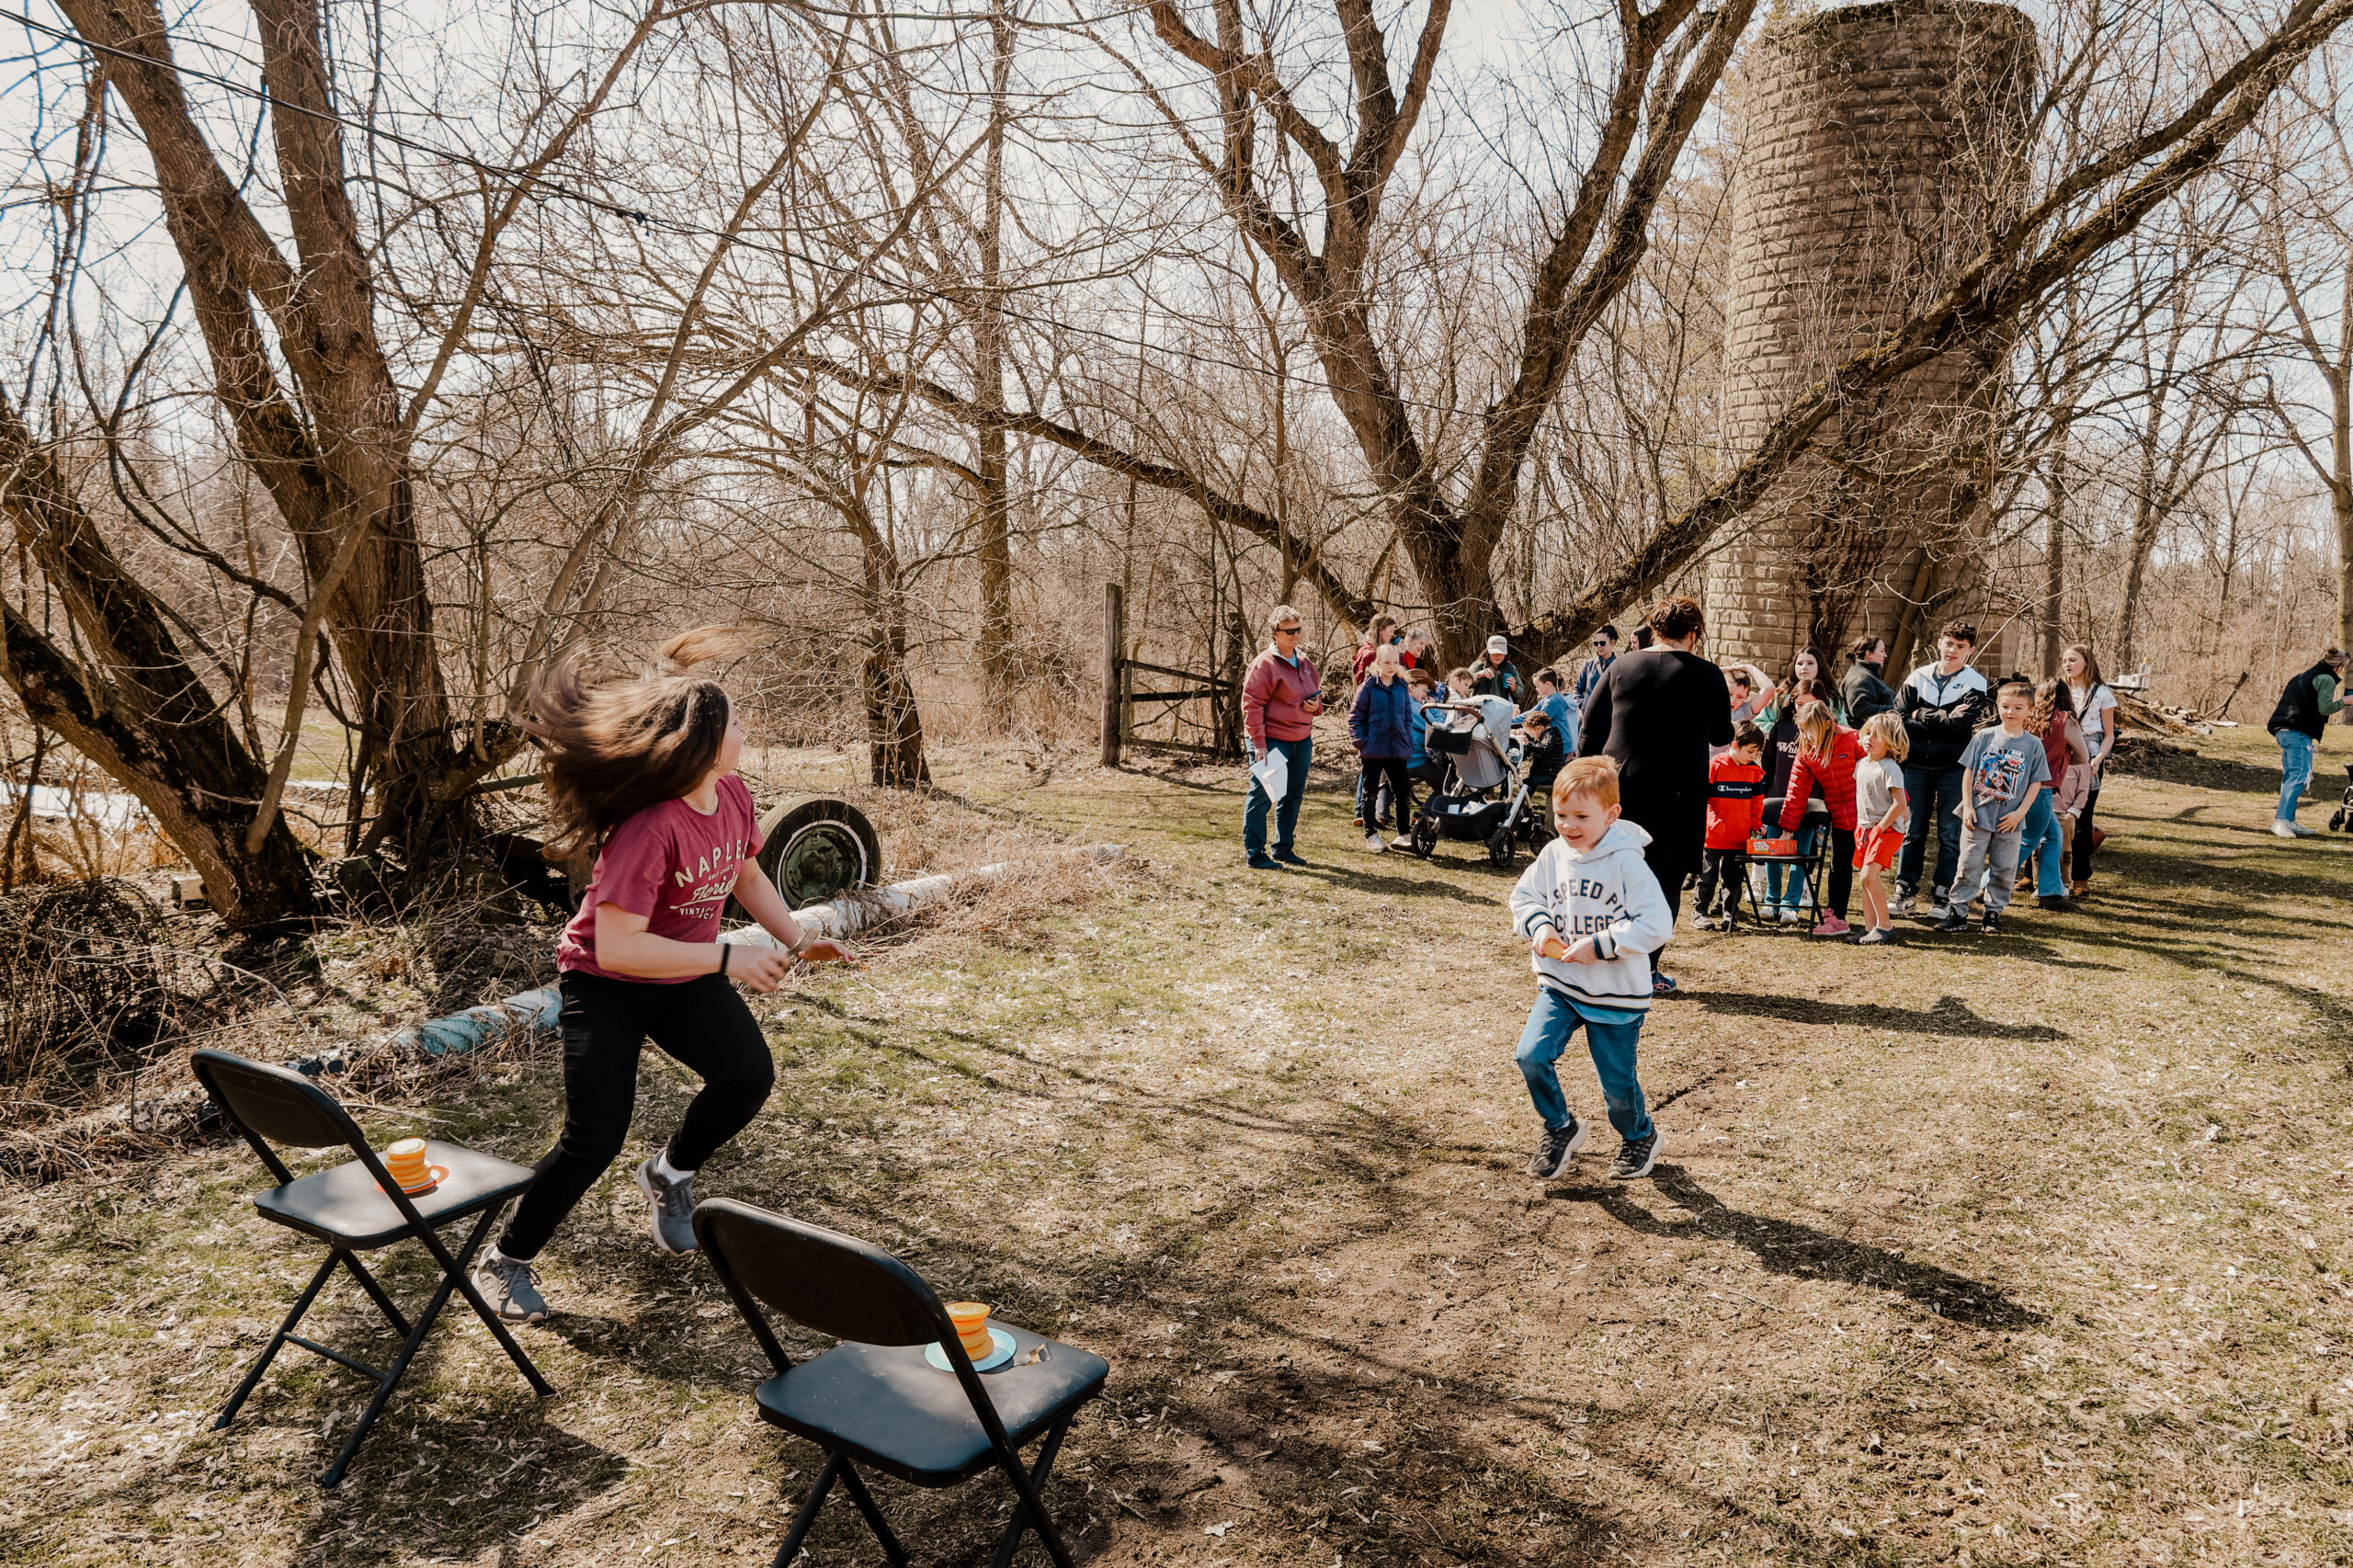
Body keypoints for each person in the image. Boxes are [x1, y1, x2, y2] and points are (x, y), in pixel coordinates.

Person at [472, 629, 852, 1324]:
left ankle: (670, 1175)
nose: (746, 729)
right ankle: (505, 1261)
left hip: (683, 973)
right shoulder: (650, 827)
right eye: (736, 721)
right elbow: (618, 948)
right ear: (704, 742)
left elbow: (744, 872)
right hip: (607, 985)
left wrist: (797, 940)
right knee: (594, 1138)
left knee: (746, 1076)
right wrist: (730, 957)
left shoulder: (732, 795)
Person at [1506, 756, 1672, 1183]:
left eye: (1581, 816)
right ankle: (1560, 1127)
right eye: (1561, 815)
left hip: (1616, 992)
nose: (1568, 825)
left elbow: (1656, 924)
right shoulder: (1553, 854)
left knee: (1617, 1088)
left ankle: (1639, 1135)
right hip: (1561, 986)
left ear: (1611, 814)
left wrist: (1599, 946)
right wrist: (1539, 927)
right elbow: (1525, 897)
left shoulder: (1627, 862)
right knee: (1531, 1056)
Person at [1576, 595, 1733, 995]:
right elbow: (1722, 735)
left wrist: (1590, 777)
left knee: (1613, 869)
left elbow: (1589, 730)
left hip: (1620, 786)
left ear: (1655, 628)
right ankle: (1645, 970)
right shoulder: (1708, 674)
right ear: (1694, 635)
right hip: (1678, 790)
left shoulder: (1621, 666)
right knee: (1666, 875)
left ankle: (1603, 958)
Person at [1937, 676, 2051, 935]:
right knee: (1968, 865)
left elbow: (2036, 782)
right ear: (1998, 706)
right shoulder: (1983, 736)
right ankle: (1958, 912)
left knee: (2004, 869)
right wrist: (1968, 806)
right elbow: (1968, 771)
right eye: (2005, 706)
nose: (2011, 712)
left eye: (2018, 708)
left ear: (2029, 711)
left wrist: (2019, 813)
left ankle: (1993, 913)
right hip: (1977, 815)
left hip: (2009, 820)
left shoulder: (2034, 745)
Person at [1894, 620, 1991, 918]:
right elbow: (1898, 716)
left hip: (1954, 770)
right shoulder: (1918, 676)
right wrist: (1939, 717)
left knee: (1950, 834)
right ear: (1940, 643)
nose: (1953, 650)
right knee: (1912, 831)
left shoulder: (1975, 682)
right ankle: (1904, 891)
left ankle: (1942, 895)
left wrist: (1920, 713)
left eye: (1961, 646)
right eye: (1949, 643)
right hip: (1915, 768)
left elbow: (1958, 725)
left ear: (1970, 650)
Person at [1243, 605, 1324, 870]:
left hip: (1301, 738)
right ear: (1275, 633)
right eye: (1289, 631)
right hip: (1272, 739)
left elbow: (1317, 696)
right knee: (1264, 795)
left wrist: (1317, 707)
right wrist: (1259, 744)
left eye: (1298, 630)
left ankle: (1283, 848)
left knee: (1292, 795)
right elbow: (1251, 705)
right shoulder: (1264, 664)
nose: (1295, 635)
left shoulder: (1305, 663)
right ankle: (1255, 854)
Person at [1775, 699, 1864, 937]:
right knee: (1839, 866)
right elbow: (1797, 790)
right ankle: (1837, 918)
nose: (1806, 735)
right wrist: (1787, 828)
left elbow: (1881, 772)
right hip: (1841, 817)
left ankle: (1877, 923)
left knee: (1870, 869)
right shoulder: (1807, 749)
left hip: (1868, 815)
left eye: (1810, 730)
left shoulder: (1853, 739)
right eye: (1802, 730)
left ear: (1827, 723)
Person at [1756, 676, 1834, 923]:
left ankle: (1791, 905)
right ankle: (1771, 900)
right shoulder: (1782, 725)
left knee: (1800, 854)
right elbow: (1768, 762)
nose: (1803, 709)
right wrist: (1765, 792)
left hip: (1810, 804)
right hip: (1777, 799)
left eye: (1809, 704)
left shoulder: (1827, 733)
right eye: (1799, 703)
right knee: (1774, 852)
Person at [2020, 677, 2089, 910]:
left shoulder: (2027, 716)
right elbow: (2083, 755)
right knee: (2027, 841)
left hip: (2020, 784)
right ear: (2065, 696)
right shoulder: (2064, 720)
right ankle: (1986, 883)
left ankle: (2051, 892)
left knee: (2053, 838)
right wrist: (2064, 757)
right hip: (2042, 787)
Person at [2268, 646, 2349, 836]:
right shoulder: (2326, 678)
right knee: (2299, 776)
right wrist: (2345, 702)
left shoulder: (2302, 676)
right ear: (2339, 666)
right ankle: (2281, 822)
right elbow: (2325, 708)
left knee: (2291, 777)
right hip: (2298, 732)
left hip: (2283, 730)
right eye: (2344, 666)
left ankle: (2289, 820)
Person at [1692, 722, 1767, 929]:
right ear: (1735, 744)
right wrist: (1713, 821)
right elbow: (1703, 800)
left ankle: (1729, 914)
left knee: (1733, 879)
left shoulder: (1755, 772)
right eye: (1750, 751)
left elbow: (1756, 802)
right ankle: (1700, 913)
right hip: (1713, 836)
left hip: (1738, 837)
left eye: (1757, 752)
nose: (1753, 756)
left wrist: (1757, 824)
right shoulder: (1715, 765)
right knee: (1708, 876)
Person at [2060, 643, 2118, 894]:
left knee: (2082, 816)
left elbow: (2109, 734)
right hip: (2060, 751)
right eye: (2064, 660)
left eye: (2073, 659)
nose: (2067, 664)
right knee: (2049, 811)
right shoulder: (2059, 689)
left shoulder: (2102, 693)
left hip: (2090, 752)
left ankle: (2081, 877)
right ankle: (2033, 874)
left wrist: (2099, 758)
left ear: (2087, 662)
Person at [1349, 643, 1416, 854]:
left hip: (1397, 748)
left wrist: (1408, 740)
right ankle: (1371, 835)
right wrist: (1362, 742)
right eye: (1387, 662)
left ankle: (1404, 833)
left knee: (1403, 790)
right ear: (1378, 663)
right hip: (1374, 749)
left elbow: (1407, 717)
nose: (1391, 666)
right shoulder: (1368, 687)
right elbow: (1355, 718)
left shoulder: (1401, 686)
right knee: (1370, 793)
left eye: (1395, 662)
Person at [1851, 712, 1910, 946]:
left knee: (1869, 876)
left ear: (1891, 742)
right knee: (1865, 879)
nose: (1870, 738)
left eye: (1878, 735)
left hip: (1887, 831)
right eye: (1868, 732)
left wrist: (1880, 828)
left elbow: (1900, 804)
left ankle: (1885, 927)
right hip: (1864, 829)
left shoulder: (1890, 768)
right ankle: (1869, 928)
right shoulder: (1861, 764)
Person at [1404, 668, 1445, 798]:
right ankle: (1423, 814)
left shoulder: (1396, 702)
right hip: (1414, 760)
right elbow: (1437, 726)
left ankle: (1380, 814)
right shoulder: (1414, 706)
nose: (1425, 695)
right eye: (1423, 690)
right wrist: (1433, 708)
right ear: (1411, 687)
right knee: (1446, 784)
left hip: (1394, 758)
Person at [1842, 635, 1897, 727]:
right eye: (1882, 651)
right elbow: (1860, 710)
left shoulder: (1867, 673)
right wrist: (1896, 710)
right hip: (1863, 736)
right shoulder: (1860, 677)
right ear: (1869, 654)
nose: (1885, 655)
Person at [1518, 707, 1566, 801]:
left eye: (1532, 734)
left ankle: (1524, 805)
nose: (1533, 737)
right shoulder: (1547, 734)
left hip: (1550, 776)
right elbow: (1539, 745)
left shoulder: (1550, 735)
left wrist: (1529, 743)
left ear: (1538, 728)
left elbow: (1543, 749)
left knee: (1528, 783)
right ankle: (1524, 804)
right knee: (1526, 782)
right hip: (1544, 773)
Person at [1531, 665, 1579, 752]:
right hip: (1571, 744)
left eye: (1538, 686)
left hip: (1561, 747)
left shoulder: (1552, 702)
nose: (1537, 689)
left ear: (1548, 684)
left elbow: (1538, 722)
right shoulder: (1567, 699)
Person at [1574, 626, 1620, 711]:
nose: (1599, 646)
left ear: (1612, 642)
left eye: (1602, 643)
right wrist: (1582, 704)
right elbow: (1577, 689)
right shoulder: (1589, 664)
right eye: (1596, 643)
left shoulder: (1619, 665)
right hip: (1588, 715)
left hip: (1609, 716)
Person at [1351, 614, 1400, 686]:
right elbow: (1386, 682)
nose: (1393, 635)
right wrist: (1400, 655)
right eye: (1391, 631)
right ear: (1380, 630)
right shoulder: (1372, 654)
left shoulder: (1365, 648)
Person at [1472, 636, 1523, 702]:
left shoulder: (1510, 668)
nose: (1498, 656)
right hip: (1481, 708)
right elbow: (1463, 683)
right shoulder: (1478, 666)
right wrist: (1479, 675)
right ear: (1488, 652)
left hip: (1504, 708)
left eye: (1501, 653)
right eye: (1494, 653)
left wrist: (1514, 688)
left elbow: (1521, 693)